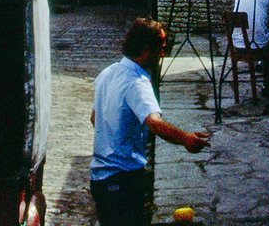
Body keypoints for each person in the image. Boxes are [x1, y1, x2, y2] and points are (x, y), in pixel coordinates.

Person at [90, 16, 210, 226]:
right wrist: (185, 139)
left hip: (100, 180)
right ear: (146, 51)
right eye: (161, 48)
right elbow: (154, 123)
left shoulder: (106, 73)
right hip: (122, 179)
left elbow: (94, 118)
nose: (163, 54)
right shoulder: (136, 83)